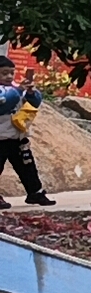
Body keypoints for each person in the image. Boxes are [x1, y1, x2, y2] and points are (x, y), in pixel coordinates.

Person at [0, 56, 53, 208]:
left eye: (11, 73)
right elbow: (5, 101)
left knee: (27, 166)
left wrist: (30, 93)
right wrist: (19, 90)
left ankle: (35, 192)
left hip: (17, 137)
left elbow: (34, 102)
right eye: (4, 73)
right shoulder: (13, 90)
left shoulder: (17, 88)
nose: (9, 77)